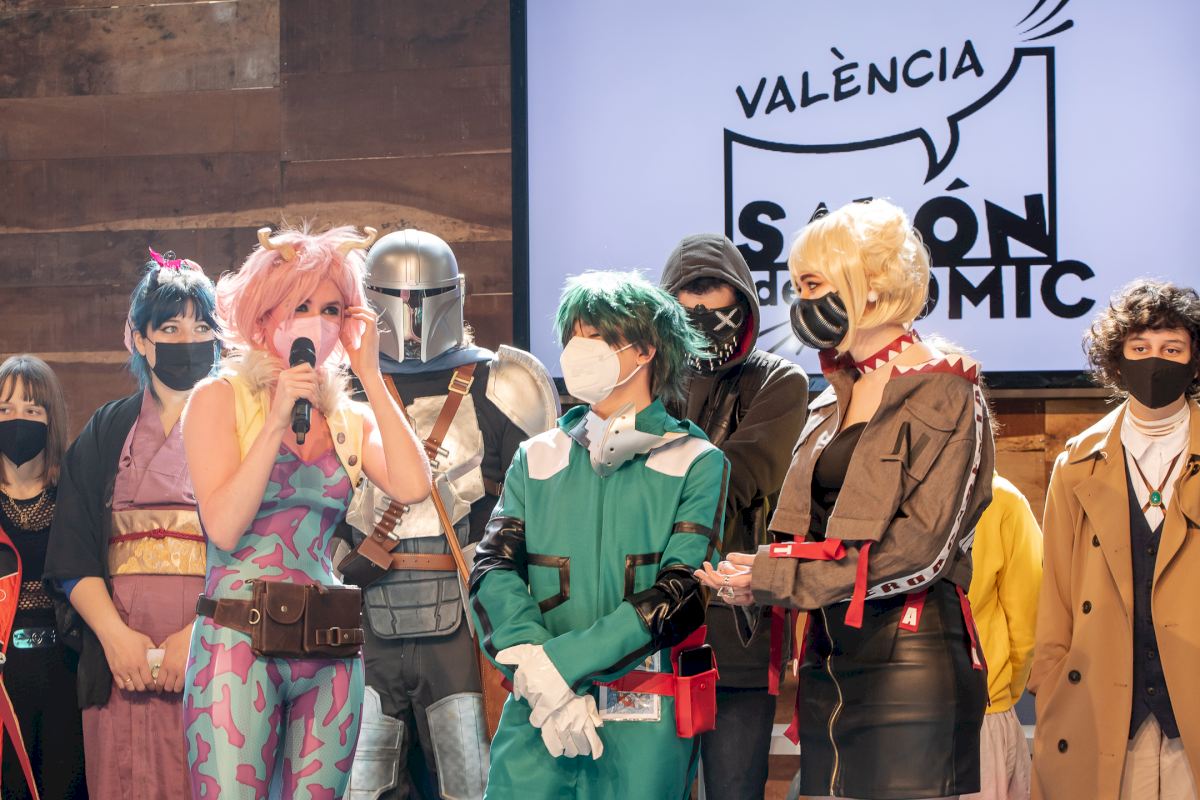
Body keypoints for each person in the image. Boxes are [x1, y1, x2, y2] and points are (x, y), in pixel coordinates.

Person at [697, 198, 993, 800]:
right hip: (827, 658)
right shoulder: (832, 398)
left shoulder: (945, 389)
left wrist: (775, 579)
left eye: (813, 284)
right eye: (798, 286)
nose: (800, 301)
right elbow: (812, 536)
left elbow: (920, 552)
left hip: (909, 661)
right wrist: (756, 574)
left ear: (872, 284)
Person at [181, 225, 431, 798]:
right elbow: (223, 526)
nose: (317, 322)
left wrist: (371, 375)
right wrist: (275, 421)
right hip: (237, 642)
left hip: (329, 649)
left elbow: (415, 485)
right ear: (265, 314)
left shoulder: (348, 417)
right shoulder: (218, 399)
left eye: (331, 309)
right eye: (301, 306)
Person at [468, 270, 729, 799]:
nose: (579, 350)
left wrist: (562, 667)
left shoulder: (696, 462)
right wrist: (537, 672)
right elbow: (492, 567)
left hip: (646, 718)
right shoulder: (535, 457)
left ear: (646, 350)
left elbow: (681, 592)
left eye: (598, 337)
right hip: (537, 712)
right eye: (574, 336)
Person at [343, 229, 559, 800]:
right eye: (397, 300)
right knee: (360, 786)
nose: (411, 315)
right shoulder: (339, 386)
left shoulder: (505, 383)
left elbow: (542, 517)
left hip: (467, 622)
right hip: (360, 619)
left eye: (423, 300)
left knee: (474, 783)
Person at [44, 250, 222, 797]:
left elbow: (262, 547)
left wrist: (200, 634)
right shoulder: (107, 428)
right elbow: (72, 550)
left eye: (201, 327)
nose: (187, 340)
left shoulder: (244, 427)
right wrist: (114, 636)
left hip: (215, 649)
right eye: (170, 328)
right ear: (140, 339)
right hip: (120, 658)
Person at [1029, 279, 1200, 800]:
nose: (1156, 361)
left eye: (1172, 348)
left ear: (1193, 360)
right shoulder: (1075, 463)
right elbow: (1056, 593)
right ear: (1117, 360)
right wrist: (1052, 681)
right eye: (1140, 348)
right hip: (1102, 708)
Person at [659, 233, 809, 799]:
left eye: (716, 307)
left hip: (737, 626)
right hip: (646, 622)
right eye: (688, 308)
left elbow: (737, 479)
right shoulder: (648, 380)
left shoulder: (779, 381)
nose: (702, 321)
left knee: (735, 789)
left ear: (742, 304)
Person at [0, 355, 86, 799]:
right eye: (5, 409)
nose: (18, 419)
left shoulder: (74, 495)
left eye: (32, 409)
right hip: (4, 673)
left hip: (66, 667)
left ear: (51, 419)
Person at [964, 473, 1042, 800]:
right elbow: (1027, 627)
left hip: (885, 712)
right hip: (982, 712)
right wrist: (1003, 693)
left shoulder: (885, 491)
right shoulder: (1003, 500)